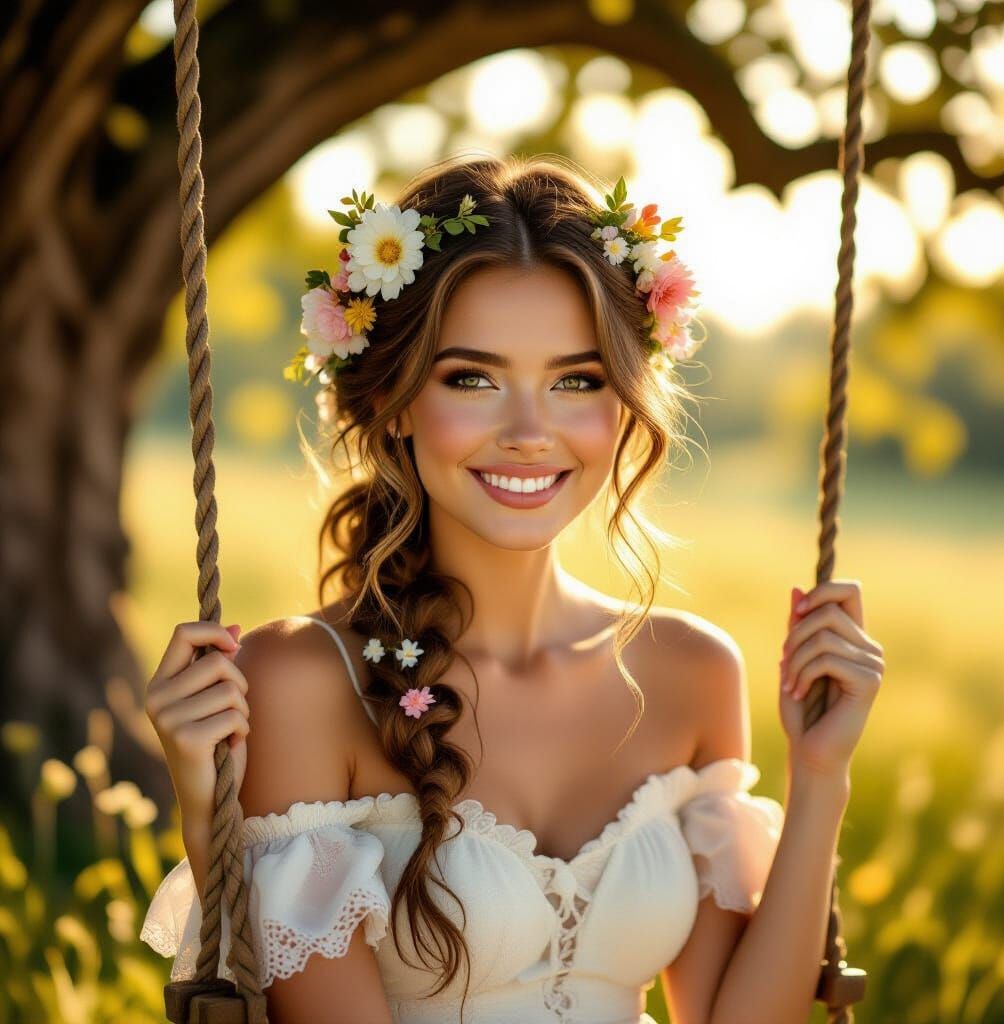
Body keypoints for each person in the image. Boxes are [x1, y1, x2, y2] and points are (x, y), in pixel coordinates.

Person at [139, 154, 885, 1024]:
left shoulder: (692, 672)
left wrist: (822, 776)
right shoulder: (303, 681)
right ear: (395, 398)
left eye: (578, 380)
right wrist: (210, 820)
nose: (530, 433)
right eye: (473, 379)